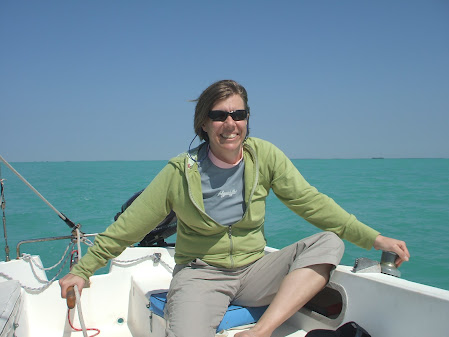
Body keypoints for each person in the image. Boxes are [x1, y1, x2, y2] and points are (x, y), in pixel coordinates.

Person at [59, 79, 410, 337]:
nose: (230, 124)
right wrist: (84, 269)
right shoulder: (179, 172)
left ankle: (262, 331)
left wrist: (374, 239)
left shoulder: (265, 156)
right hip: (201, 275)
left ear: (246, 119)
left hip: (255, 270)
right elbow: (130, 226)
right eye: (219, 115)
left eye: (238, 114)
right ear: (204, 123)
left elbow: (312, 203)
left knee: (329, 242)